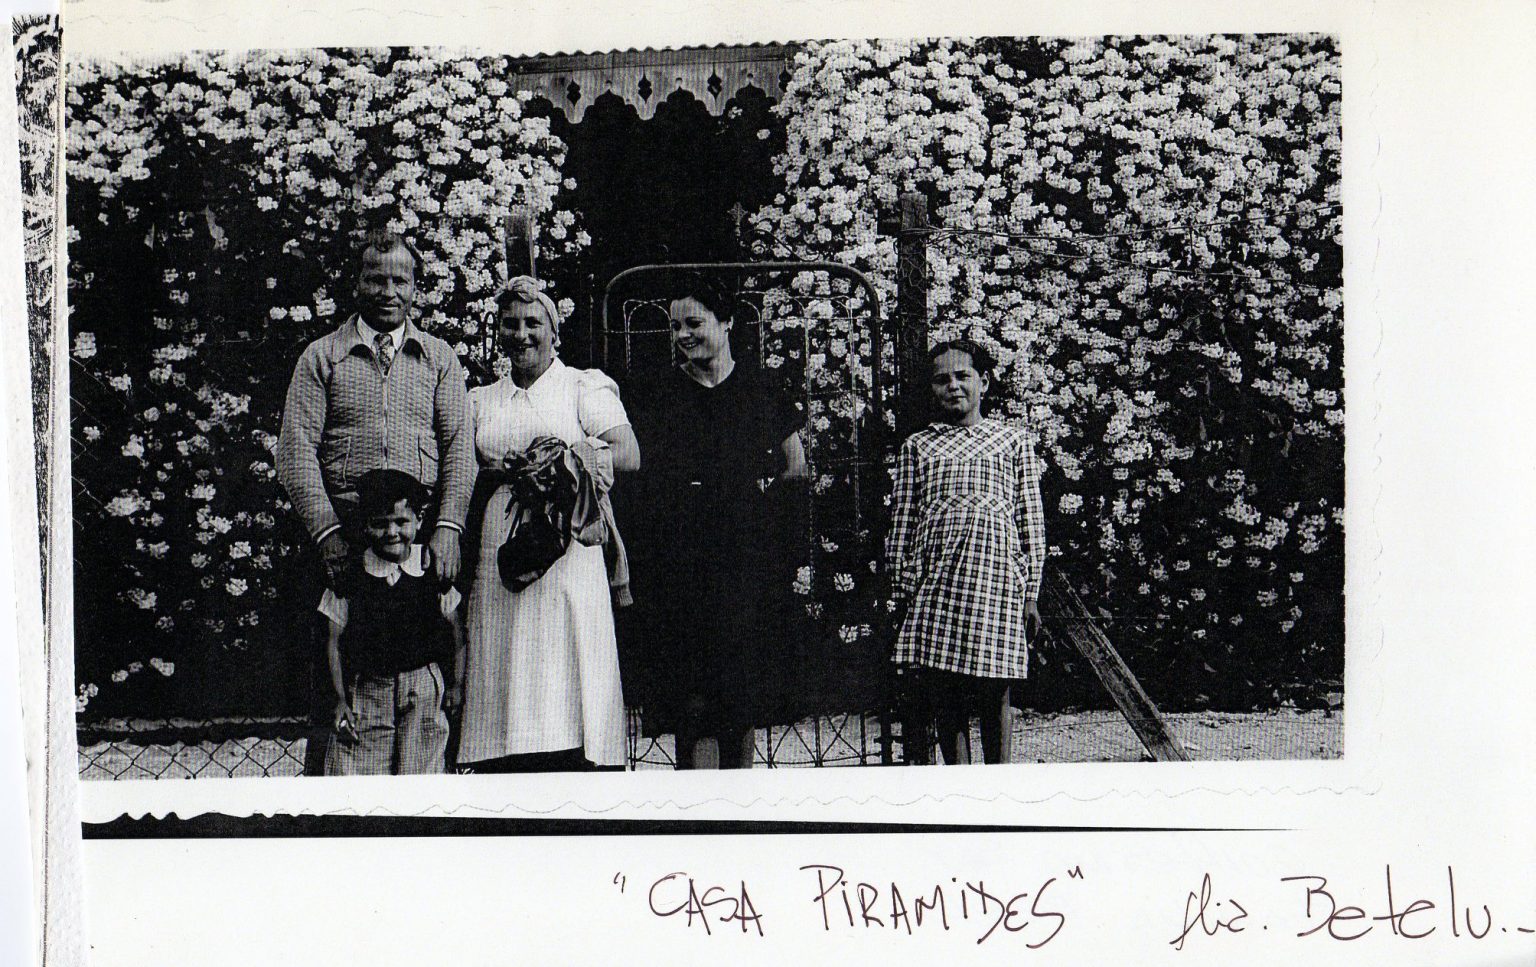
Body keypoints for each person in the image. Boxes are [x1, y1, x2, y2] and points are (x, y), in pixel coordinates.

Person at [621, 274, 808, 770]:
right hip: (680, 558)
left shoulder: (762, 389)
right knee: (691, 698)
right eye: (674, 326)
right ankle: (698, 800)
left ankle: (739, 795)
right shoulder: (657, 393)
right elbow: (638, 473)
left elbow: (796, 467)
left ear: (727, 322)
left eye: (694, 323)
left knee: (739, 694)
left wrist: (771, 533)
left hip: (744, 557)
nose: (682, 335)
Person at [456, 277, 640, 772]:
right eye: (510, 324)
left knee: (564, 645)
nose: (521, 334)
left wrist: (563, 462)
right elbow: (462, 470)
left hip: (567, 540)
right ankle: (503, 758)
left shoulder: (582, 387)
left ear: (554, 332)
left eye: (533, 323)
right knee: (502, 646)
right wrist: (500, 471)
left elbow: (627, 453)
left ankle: (578, 755)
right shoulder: (480, 400)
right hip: (502, 539)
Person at [275, 229, 475, 591]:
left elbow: (459, 447)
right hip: (345, 534)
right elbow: (296, 450)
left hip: (417, 535)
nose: (388, 292)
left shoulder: (438, 358)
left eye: (400, 281)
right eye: (376, 280)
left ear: (414, 287)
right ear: (356, 284)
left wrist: (448, 526)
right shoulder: (322, 357)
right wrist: (327, 532)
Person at [885, 339, 1046, 766]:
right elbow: (903, 520)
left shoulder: (1012, 442)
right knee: (946, 693)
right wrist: (901, 588)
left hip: (996, 583)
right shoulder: (919, 446)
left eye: (963, 376)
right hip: (938, 584)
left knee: (995, 691)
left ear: (984, 382)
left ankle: (997, 783)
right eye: (942, 380)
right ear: (931, 389)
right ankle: (958, 782)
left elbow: (1031, 521)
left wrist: (1031, 592)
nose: (953, 386)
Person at [321, 469, 464, 776]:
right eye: (379, 523)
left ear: (419, 520)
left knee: (422, 773)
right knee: (359, 771)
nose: (391, 532)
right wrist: (340, 699)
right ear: (364, 524)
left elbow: (456, 634)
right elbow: (333, 640)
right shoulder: (351, 574)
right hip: (368, 688)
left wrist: (456, 685)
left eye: (401, 522)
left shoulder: (430, 567)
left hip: (423, 687)